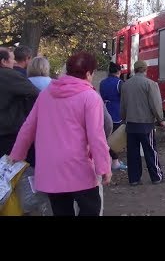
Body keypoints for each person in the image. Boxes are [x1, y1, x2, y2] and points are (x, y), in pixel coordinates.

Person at [9, 51, 112, 216]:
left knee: (61, 211)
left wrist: (17, 155)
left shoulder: (46, 94)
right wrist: (104, 167)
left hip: (50, 168)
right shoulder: (90, 97)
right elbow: (96, 136)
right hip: (79, 168)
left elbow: (28, 127)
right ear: (88, 73)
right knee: (91, 208)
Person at [120, 60, 165, 186]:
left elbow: (123, 106)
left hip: (130, 124)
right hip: (146, 124)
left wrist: (124, 119)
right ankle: (156, 177)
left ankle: (134, 179)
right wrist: (161, 119)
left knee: (132, 153)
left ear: (135, 70)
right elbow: (155, 104)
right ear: (145, 69)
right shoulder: (150, 84)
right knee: (150, 151)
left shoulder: (125, 85)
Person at [0, 47, 39, 164]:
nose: (14, 62)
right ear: (3, 61)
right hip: (7, 132)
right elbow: (35, 92)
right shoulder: (10, 76)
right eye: (12, 59)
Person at [100, 62, 128, 171]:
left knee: (105, 137)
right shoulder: (120, 83)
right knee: (114, 140)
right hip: (116, 113)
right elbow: (125, 98)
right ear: (118, 72)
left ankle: (108, 160)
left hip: (104, 111)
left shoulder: (102, 82)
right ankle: (115, 162)